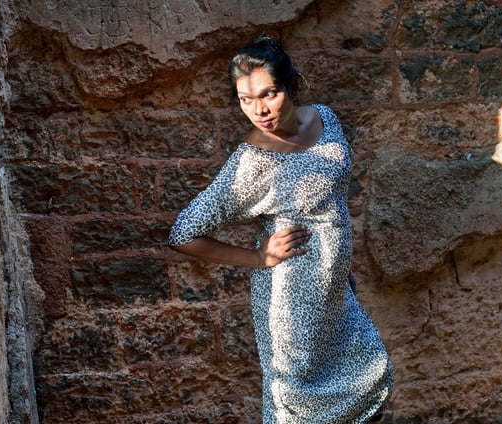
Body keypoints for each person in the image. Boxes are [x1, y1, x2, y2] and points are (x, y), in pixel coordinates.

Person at [168, 35, 393, 424]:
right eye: (245, 99)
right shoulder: (253, 161)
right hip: (291, 303)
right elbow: (183, 232)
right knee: (298, 407)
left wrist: (339, 268)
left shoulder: (324, 118)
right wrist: (258, 256)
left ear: (290, 85)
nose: (258, 110)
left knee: (371, 379)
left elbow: (329, 199)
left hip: (336, 294)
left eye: (268, 94)